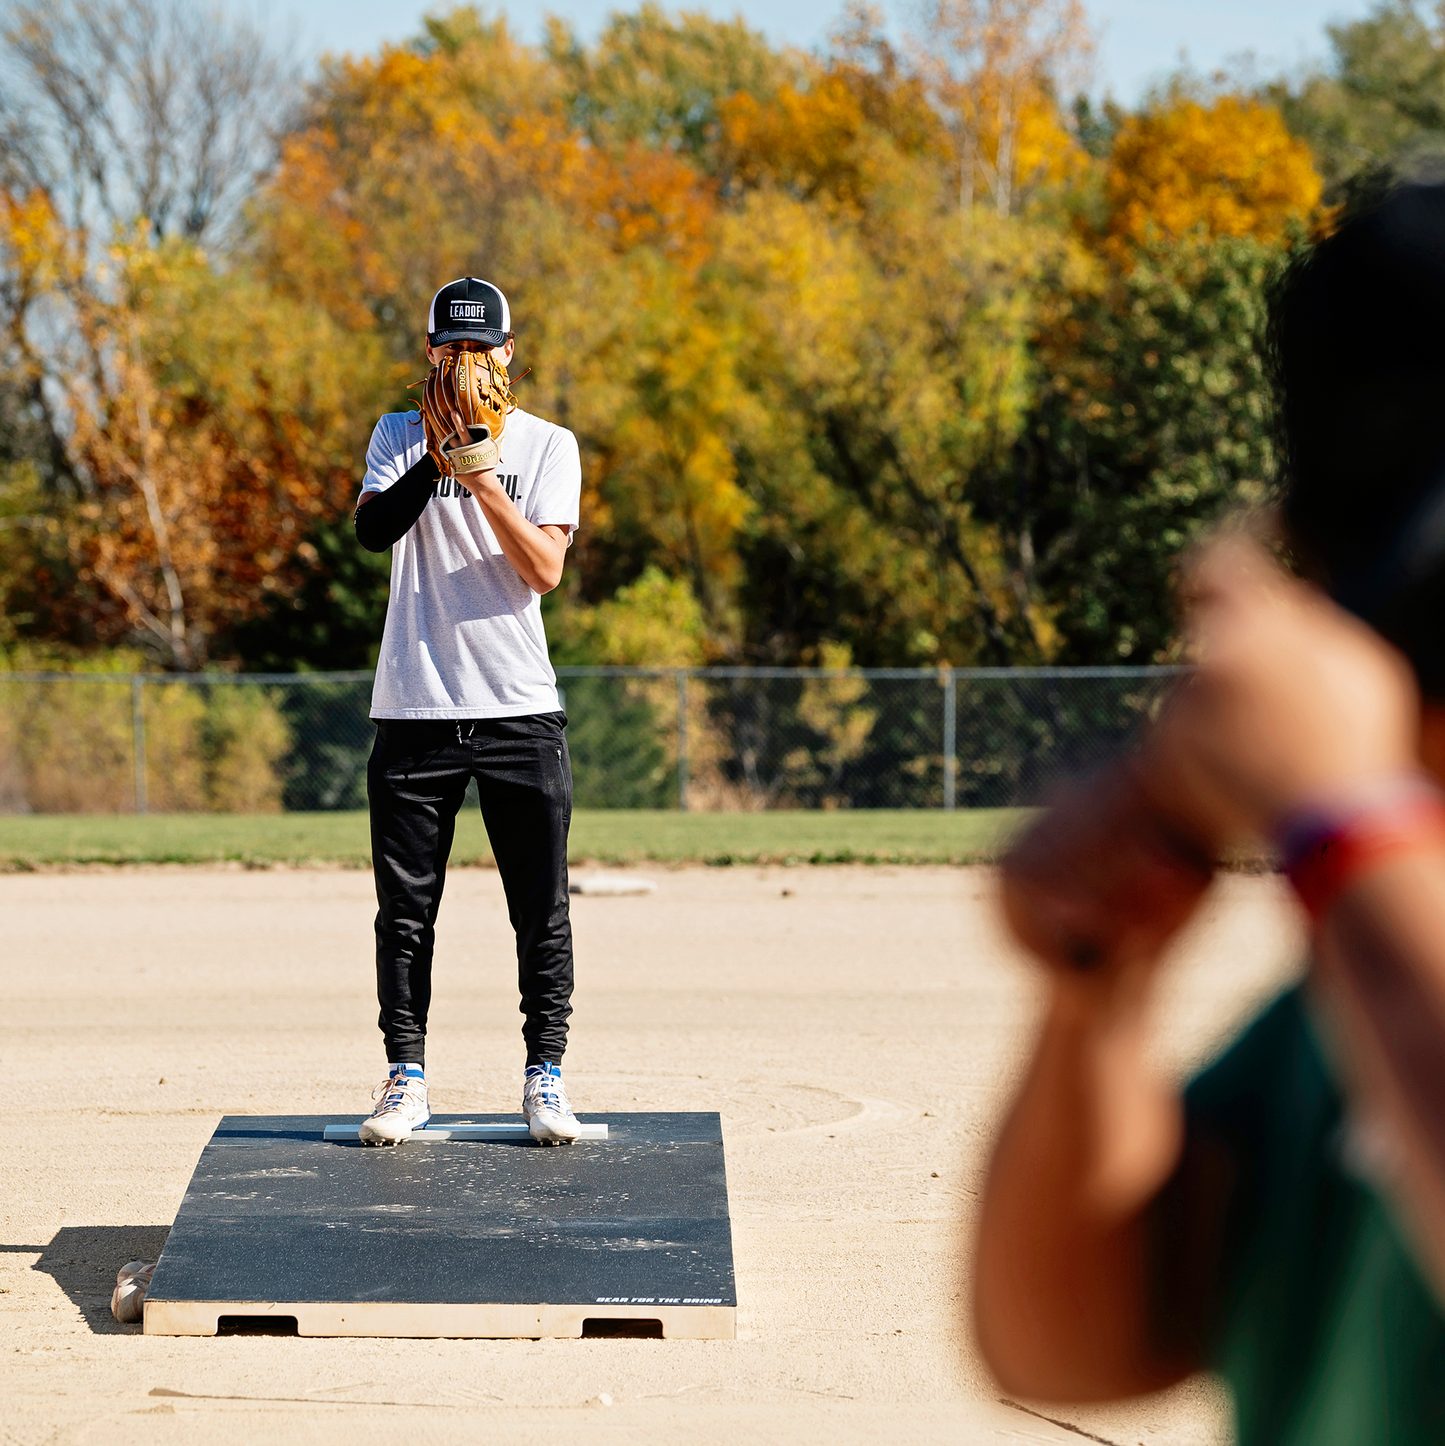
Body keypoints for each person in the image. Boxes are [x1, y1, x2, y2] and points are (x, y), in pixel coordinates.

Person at [973, 182, 1445, 1443]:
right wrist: (1099, 995)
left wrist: (1344, 826)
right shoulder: (1365, 967)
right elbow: (1065, 1346)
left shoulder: (1378, 906)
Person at [351, 276, 582, 1146]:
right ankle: (405, 1077)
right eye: (451, 347)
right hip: (414, 706)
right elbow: (374, 532)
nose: (467, 361)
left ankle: (545, 1075)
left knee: (539, 905)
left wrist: (484, 475)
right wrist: (440, 454)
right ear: (429, 353)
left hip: (519, 707)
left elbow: (543, 571)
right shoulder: (395, 435)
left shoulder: (548, 445)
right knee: (406, 910)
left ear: (509, 354)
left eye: (482, 348)